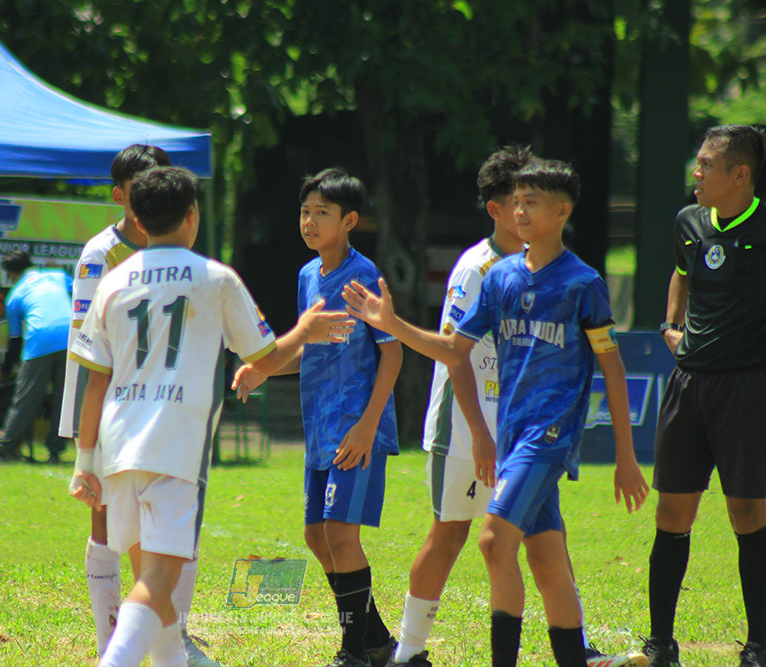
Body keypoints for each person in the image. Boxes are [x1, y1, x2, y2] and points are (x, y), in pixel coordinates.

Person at [342, 160, 649, 667]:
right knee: (547, 556)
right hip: (507, 438)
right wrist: (392, 324)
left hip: (547, 436)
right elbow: (453, 349)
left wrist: (625, 455)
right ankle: (578, 658)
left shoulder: (582, 283)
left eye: (532, 202)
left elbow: (612, 370)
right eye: (517, 201)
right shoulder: (499, 277)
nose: (521, 210)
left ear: (562, 211)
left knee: (492, 539)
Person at [68, 165, 354, 667]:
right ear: (192, 216)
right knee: (159, 585)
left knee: (150, 586)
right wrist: (305, 329)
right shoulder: (214, 278)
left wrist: (82, 460)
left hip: (117, 442)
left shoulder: (114, 282)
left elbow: (94, 379)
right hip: (174, 444)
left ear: (136, 215)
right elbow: (263, 359)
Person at [57, 144, 224, 665]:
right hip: (111, 403)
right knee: (106, 524)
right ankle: (113, 639)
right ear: (119, 195)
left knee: (177, 525)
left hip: (168, 407)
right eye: (138, 189)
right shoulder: (100, 255)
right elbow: (88, 349)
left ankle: (176, 636)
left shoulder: (185, 253)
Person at [234, 167, 402, 667]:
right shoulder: (309, 275)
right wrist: (264, 370)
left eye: (321, 213)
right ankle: (377, 641)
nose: (309, 221)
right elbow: (307, 347)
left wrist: (369, 424)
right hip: (320, 429)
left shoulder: (365, 274)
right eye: (304, 212)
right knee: (316, 535)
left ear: (349, 220)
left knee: (340, 535)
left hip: (356, 428)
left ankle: (352, 652)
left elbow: (391, 354)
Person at [640, 124, 766, 667]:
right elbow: (681, 273)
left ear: (740, 174)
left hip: (745, 386)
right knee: (671, 513)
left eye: (707, 165)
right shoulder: (688, 222)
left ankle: (758, 644)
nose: (697, 173)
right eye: (698, 163)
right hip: (688, 384)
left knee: (748, 512)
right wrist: (671, 325)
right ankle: (661, 644)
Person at [0, 250, 73, 462]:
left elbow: (15, 340)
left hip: (39, 342)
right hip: (72, 338)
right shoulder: (59, 275)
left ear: (11, 274)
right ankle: (55, 451)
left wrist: (5, 369)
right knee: (64, 400)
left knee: (26, 399)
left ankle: (5, 450)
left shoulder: (14, 296)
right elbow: (85, 295)